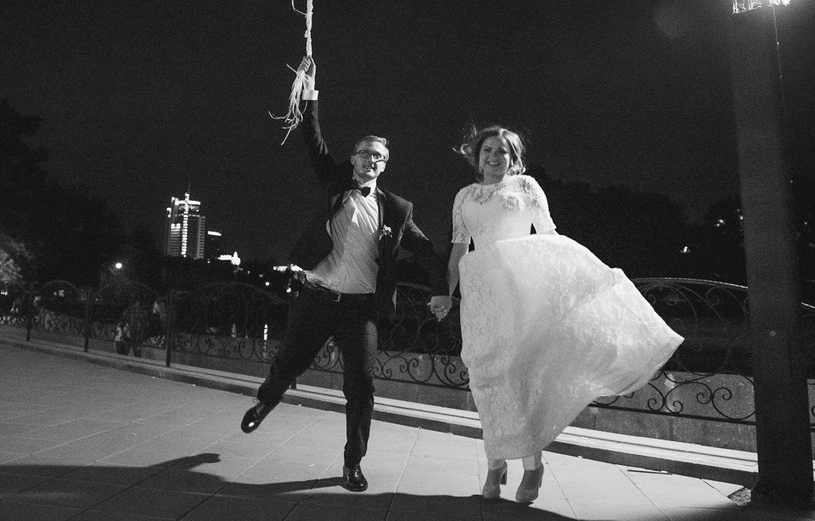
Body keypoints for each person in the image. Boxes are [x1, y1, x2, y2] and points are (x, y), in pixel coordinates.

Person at [434, 125, 683, 504]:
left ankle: (532, 465)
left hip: (521, 292)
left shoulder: (526, 187)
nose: (494, 157)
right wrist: (446, 293)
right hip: (482, 296)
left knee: (520, 377)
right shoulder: (464, 196)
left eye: (502, 151)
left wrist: (578, 277)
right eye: (487, 150)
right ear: (477, 156)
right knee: (485, 378)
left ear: (513, 158)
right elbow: (458, 249)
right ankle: (495, 462)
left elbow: (548, 236)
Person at [240, 58, 449, 493]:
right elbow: (312, 138)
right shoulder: (334, 182)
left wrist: (442, 288)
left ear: (384, 166)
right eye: (365, 153)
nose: (371, 160)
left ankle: (353, 462)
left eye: (379, 156)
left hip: (360, 310)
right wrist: (310, 93)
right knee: (289, 363)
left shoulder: (397, 209)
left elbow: (427, 252)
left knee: (361, 386)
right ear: (353, 159)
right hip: (316, 298)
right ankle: (265, 401)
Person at [117, 293, 150, 358]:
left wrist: (123, 333)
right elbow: (146, 325)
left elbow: (122, 323)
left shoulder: (128, 311)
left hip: (128, 336)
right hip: (138, 337)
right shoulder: (143, 312)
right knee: (137, 355)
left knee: (124, 354)